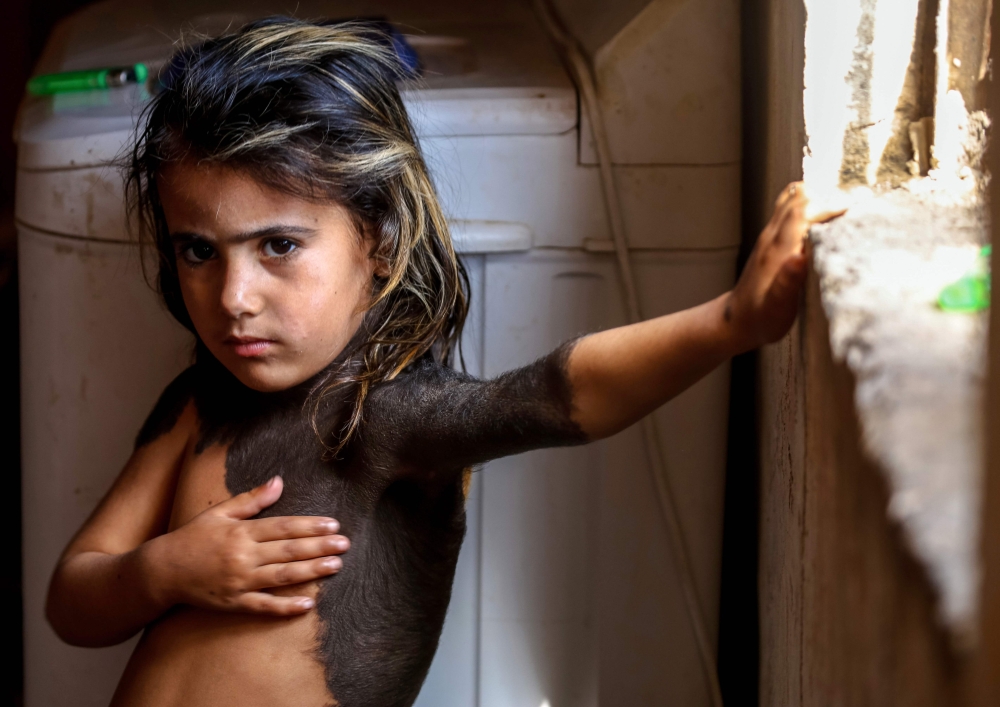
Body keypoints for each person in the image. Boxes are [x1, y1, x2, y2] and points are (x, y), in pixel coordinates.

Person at [45, 17, 830, 707]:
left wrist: (731, 321)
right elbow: (71, 599)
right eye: (198, 251)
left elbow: (554, 394)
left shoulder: (384, 415)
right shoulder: (198, 406)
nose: (233, 296)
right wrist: (163, 571)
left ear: (380, 242)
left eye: (278, 245)